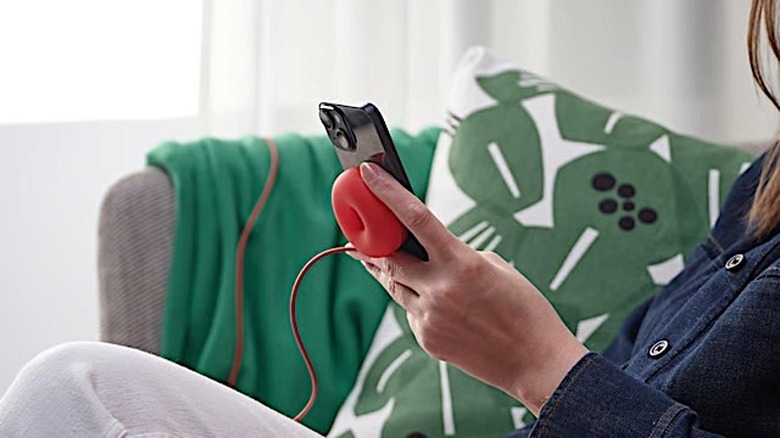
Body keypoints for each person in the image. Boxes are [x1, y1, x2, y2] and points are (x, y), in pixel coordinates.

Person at [3, 1, 780, 436]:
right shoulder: (766, 182)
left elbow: (566, 381)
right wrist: (513, 344)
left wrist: (536, 364)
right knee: (74, 385)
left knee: (67, 390)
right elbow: (635, 371)